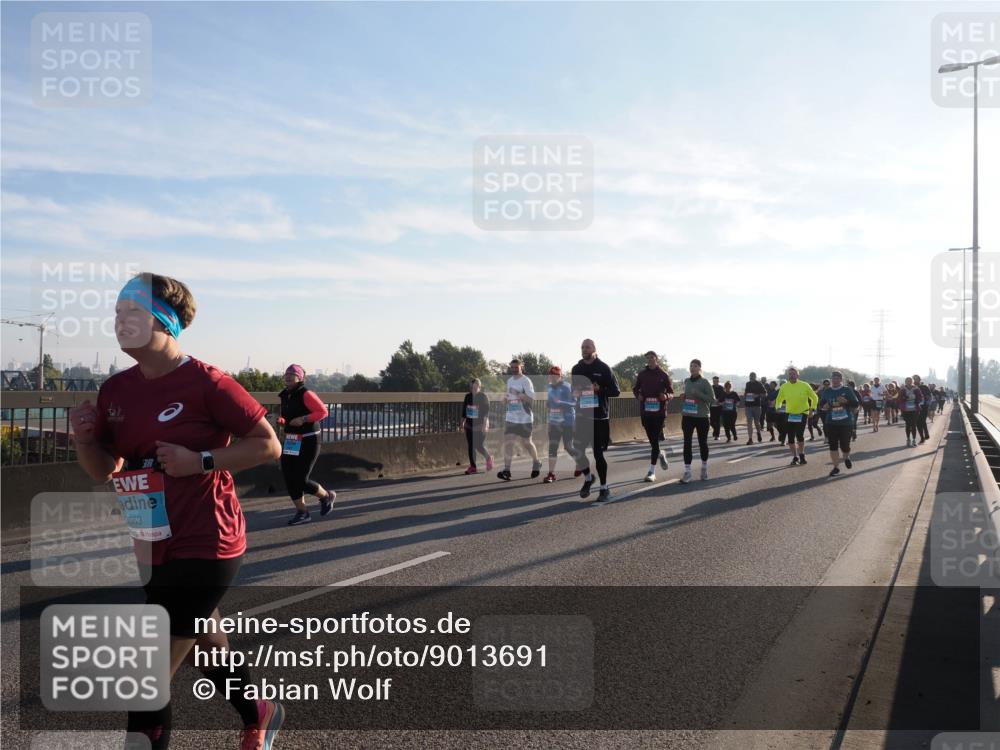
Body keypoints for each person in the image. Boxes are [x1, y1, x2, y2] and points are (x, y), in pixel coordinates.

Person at [69, 273, 285, 750]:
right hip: (151, 542)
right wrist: (85, 438)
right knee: (206, 649)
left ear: (164, 321)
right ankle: (259, 712)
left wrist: (199, 461)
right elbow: (102, 469)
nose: (119, 322)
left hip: (209, 539)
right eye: (116, 313)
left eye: (132, 312)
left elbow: (268, 445)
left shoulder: (207, 383)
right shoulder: (115, 391)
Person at [279, 364, 336, 526]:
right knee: (289, 476)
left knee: (301, 478)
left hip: (309, 439)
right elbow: (287, 417)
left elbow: (323, 412)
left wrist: (303, 419)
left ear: (300, 378)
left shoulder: (306, 394)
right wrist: (281, 420)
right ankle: (302, 512)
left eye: (292, 374)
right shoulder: (285, 395)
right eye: (287, 374)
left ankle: (326, 496)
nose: (288, 377)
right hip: (292, 439)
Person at [571, 339, 621, 503]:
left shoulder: (604, 368)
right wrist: (576, 393)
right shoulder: (576, 369)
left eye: (587, 347)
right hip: (582, 416)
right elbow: (573, 390)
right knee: (577, 450)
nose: (584, 349)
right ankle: (588, 478)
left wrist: (600, 389)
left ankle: (604, 488)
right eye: (582, 347)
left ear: (594, 349)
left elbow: (616, 391)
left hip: (599, 417)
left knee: (598, 454)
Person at [497, 358, 542, 481]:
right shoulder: (510, 380)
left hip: (524, 418)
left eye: (516, 367)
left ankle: (536, 462)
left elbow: (531, 399)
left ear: (521, 367)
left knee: (527, 443)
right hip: (511, 416)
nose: (514, 370)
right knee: (508, 443)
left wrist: (518, 393)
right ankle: (507, 470)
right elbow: (509, 394)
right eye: (512, 367)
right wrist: (505, 398)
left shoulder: (526, 381)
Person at [633, 350, 673, 481]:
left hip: (659, 413)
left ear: (657, 359)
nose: (650, 360)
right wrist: (637, 395)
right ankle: (660, 453)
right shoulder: (642, 374)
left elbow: (671, 393)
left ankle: (651, 472)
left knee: (655, 440)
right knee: (653, 442)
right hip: (645, 412)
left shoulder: (663, 375)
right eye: (648, 358)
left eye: (652, 357)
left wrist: (665, 396)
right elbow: (635, 388)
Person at [679, 359, 715, 483]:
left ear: (699, 368)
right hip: (688, 415)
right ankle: (687, 472)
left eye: (694, 366)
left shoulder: (705, 382)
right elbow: (687, 395)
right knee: (687, 443)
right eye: (690, 366)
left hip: (702, 417)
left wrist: (699, 393)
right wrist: (683, 397)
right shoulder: (687, 381)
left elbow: (712, 399)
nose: (692, 368)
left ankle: (704, 468)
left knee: (702, 443)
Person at [775, 367, 819, 465]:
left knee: (799, 435)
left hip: (802, 413)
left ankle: (802, 455)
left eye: (794, 374)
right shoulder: (784, 387)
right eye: (790, 374)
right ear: (788, 375)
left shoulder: (804, 385)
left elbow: (814, 397)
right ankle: (795, 457)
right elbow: (779, 399)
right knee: (790, 437)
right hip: (790, 414)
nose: (792, 375)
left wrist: (812, 409)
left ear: (798, 375)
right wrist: (778, 407)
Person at [819, 371, 860, 477]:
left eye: (837, 378)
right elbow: (822, 404)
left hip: (845, 422)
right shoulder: (827, 391)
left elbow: (856, 403)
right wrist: (825, 406)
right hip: (831, 422)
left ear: (841, 380)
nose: (835, 380)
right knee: (833, 446)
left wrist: (846, 401)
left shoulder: (847, 390)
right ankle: (836, 467)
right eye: (833, 378)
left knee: (845, 446)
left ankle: (846, 457)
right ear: (831, 379)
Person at [544, 367, 575, 483]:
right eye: (550, 375)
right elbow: (551, 403)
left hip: (567, 421)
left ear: (559, 376)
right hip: (554, 421)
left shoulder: (567, 387)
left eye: (554, 375)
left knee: (568, 446)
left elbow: (574, 402)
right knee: (553, 447)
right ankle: (551, 474)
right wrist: (548, 404)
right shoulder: (549, 387)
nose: (551, 377)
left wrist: (561, 403)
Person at [462, 378, 493, 475]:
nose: (473, 388)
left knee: (479, 445)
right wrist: (462, 423)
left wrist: (484, 425)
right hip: (469, 425)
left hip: (480, 425)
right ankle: (473, 466)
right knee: (471, 446)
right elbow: (464, 410)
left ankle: (488, 458)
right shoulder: (467, 396)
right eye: (472, 386)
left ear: (479, 386)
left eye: (475, 386)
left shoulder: (483, 397)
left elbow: (485, 413)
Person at [896, 377, 924, 447]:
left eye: (910, 381)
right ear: (905, 382)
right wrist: (905, 398)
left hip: (915, 409)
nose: (909, 382)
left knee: (914, 424)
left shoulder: (916, 389)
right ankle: (908, 439)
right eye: (907, 381)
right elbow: (899, 399)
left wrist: (916, 399)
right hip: (906, 410)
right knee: (908, 424)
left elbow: (921, 397)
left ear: (912, 381)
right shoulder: (902, 389)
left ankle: (914, 440)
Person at [743, 372, 767, 444]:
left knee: (757, 422)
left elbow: (765, 394)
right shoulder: (747, 384)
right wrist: (745, 395)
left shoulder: (759, 384)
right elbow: (746, 392)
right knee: (749, 422)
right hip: (748, 405)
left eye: (753, 376)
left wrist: (757, 395)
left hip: (756, 406)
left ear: (755, 377)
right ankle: (750, 439)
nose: (751, 377)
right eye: (750, 376)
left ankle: (758, 432)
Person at [914, 375, 932, 443]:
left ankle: (926, 433)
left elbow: (930, 396)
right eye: (914, 379)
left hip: (924, 406)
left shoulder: (924, 387)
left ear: (920, 379)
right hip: (915, 407)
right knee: (918, 422)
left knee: (922, 420)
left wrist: (927, 404)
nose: (916, 380)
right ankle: (922, 437)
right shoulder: (912, 388)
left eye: (917, 379)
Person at [710, 375, 725, 440]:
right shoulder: (710, 387)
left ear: (718, 381)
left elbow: (723, 396)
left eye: (716, 381)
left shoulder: (721, 388)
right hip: (712, 407)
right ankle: (715, 430)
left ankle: (717, 435)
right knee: (711, 421)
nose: (715, 382)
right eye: (714, 381)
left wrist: (718, 400)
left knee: (717, 421)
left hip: (719, 406)